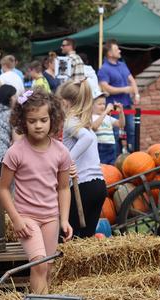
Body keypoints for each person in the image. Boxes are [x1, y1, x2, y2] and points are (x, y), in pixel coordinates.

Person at [0, 90, 72, 294]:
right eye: (32, 121)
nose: (38, 125)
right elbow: (3, 189)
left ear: (52, 119)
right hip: (27, 217)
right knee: (38, 264)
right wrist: (16, 219)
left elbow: (64, 188)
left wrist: (64, 219)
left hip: (50, 218)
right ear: (22, 121)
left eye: (43, 120)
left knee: (47, 267)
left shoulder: (61, 152)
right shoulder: (15, 152)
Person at [58, 79, 107, 238]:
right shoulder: (83, 123)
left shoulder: (71, 121)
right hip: (99, 185)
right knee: (85, 240)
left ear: (65, 103)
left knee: (67, 236)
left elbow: (86, 139)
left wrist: (67, 160)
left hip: (83, 186)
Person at [98, 39, 139, 155]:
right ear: (110, 53)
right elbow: (106, 88)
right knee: (115, 133)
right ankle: (115, 160)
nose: (120, 51)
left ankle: (134, 156)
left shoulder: (122, 64)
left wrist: (137, 94)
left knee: (132, 131)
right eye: (117, 49)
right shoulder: (104, 69)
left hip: (127, 104)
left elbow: (131, 80)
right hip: (113, 107)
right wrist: (125, 89)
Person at [91, 91, 124, 165]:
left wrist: (121, 112)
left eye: (104, 104)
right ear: (91, 105)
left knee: (111, 168)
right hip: (99, 146)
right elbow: (94, 127)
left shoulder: (107, 117)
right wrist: (105, 111)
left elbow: (121, 124)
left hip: (111, 145)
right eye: (99, 104)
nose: (103, 106)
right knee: (101, 168)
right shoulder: (91, 117)